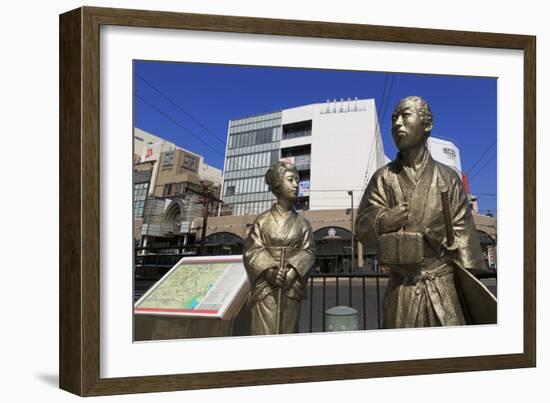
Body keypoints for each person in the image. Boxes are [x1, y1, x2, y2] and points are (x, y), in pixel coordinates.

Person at [355, 96, 489, 328]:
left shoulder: (448, 178)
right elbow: (361, 226)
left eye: (405, 116)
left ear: (426, 124)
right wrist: (382, 220)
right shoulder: (383, 178)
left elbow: (464, 236)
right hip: (402, 289)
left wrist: (471, 285)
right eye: (394, 118)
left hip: (443, 288)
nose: (397, 124)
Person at [243, 161, 315, 335]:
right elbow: (252, 250)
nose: (296, 185)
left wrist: (292, 270)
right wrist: (269, 271)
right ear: (277, 185)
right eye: (290, 180)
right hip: (266, 289)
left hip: (291, 288)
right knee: (264, 334)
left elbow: (309, 250)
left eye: (297, 180)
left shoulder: (303, 223)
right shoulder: (263, 220)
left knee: (287, 332)